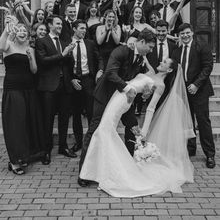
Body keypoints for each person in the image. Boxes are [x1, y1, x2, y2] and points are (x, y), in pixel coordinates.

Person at [79, 58, 195, 197]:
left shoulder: (160, 85)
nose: (161, 62)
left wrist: (143, 132)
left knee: (104, 129)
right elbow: (142, 55)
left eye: (165, 62)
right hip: (119, 95)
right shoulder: (151, 71)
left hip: (124, 101)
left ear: (169, 70)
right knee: (103, 129)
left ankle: (106, 171)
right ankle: (97, 169)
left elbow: (151, 108)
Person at [78, 28, 156, 187]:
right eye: (150, 46)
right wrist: (128, 89)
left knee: (133, 127)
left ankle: (129, 162)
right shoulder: (120, 51)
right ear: (141, 42)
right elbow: (110, 73)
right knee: (95, 129)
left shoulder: (141, 58)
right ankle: (84, 172)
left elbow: (135, 79)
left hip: (122, 101)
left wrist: (145, 91)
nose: (151, 50)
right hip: (105, 97)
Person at [0, 16, 44, 175]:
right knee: (15, 124)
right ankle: (14, 161)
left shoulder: (30, 49)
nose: (22, 33)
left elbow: (34, 70)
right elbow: (0, 46)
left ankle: (23, 156)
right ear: (15, 33)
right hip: (13, 89)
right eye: (20, 30)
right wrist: (7, 28)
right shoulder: (9, 45)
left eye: (25, 31)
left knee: (25, 124)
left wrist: (31, 59)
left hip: (29, 89)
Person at [172, 23, 216, 168]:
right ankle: (191, 148)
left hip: (200, 90)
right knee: (187, 121)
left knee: (203, 122)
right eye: (182, 34)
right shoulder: (177, 51)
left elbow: (208, 66)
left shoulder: (202, 46)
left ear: (192, 33)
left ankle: (209, 154)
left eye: (187, 33)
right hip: (184, 92)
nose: (184, 36)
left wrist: (196, 84)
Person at [35, 15, 77, 164]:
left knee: (65, 118)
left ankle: (63, 147)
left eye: (61, 24)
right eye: (57, 24)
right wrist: (62, 54)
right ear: (50, 25)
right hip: (49, 86)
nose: (60, 26)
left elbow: (69, 65)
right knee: (48, 119)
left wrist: (70, 54)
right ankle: (46, 150)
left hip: (65, 85)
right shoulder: (41, 41)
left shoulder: (65, 42)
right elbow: (43, 62)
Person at [68, 20, 104, 152]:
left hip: (88, 80)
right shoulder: (67, 44)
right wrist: (71, 79)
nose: (84, 30)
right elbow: (64, 65)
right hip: (74, 81)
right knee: (76, 114)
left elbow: (99, 58)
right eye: (81, 28)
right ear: (74, 29)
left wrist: (100, 70)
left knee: (91, 112)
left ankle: (91, 142)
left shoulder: (90, 43)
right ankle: (78, 143)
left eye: (85, 28)